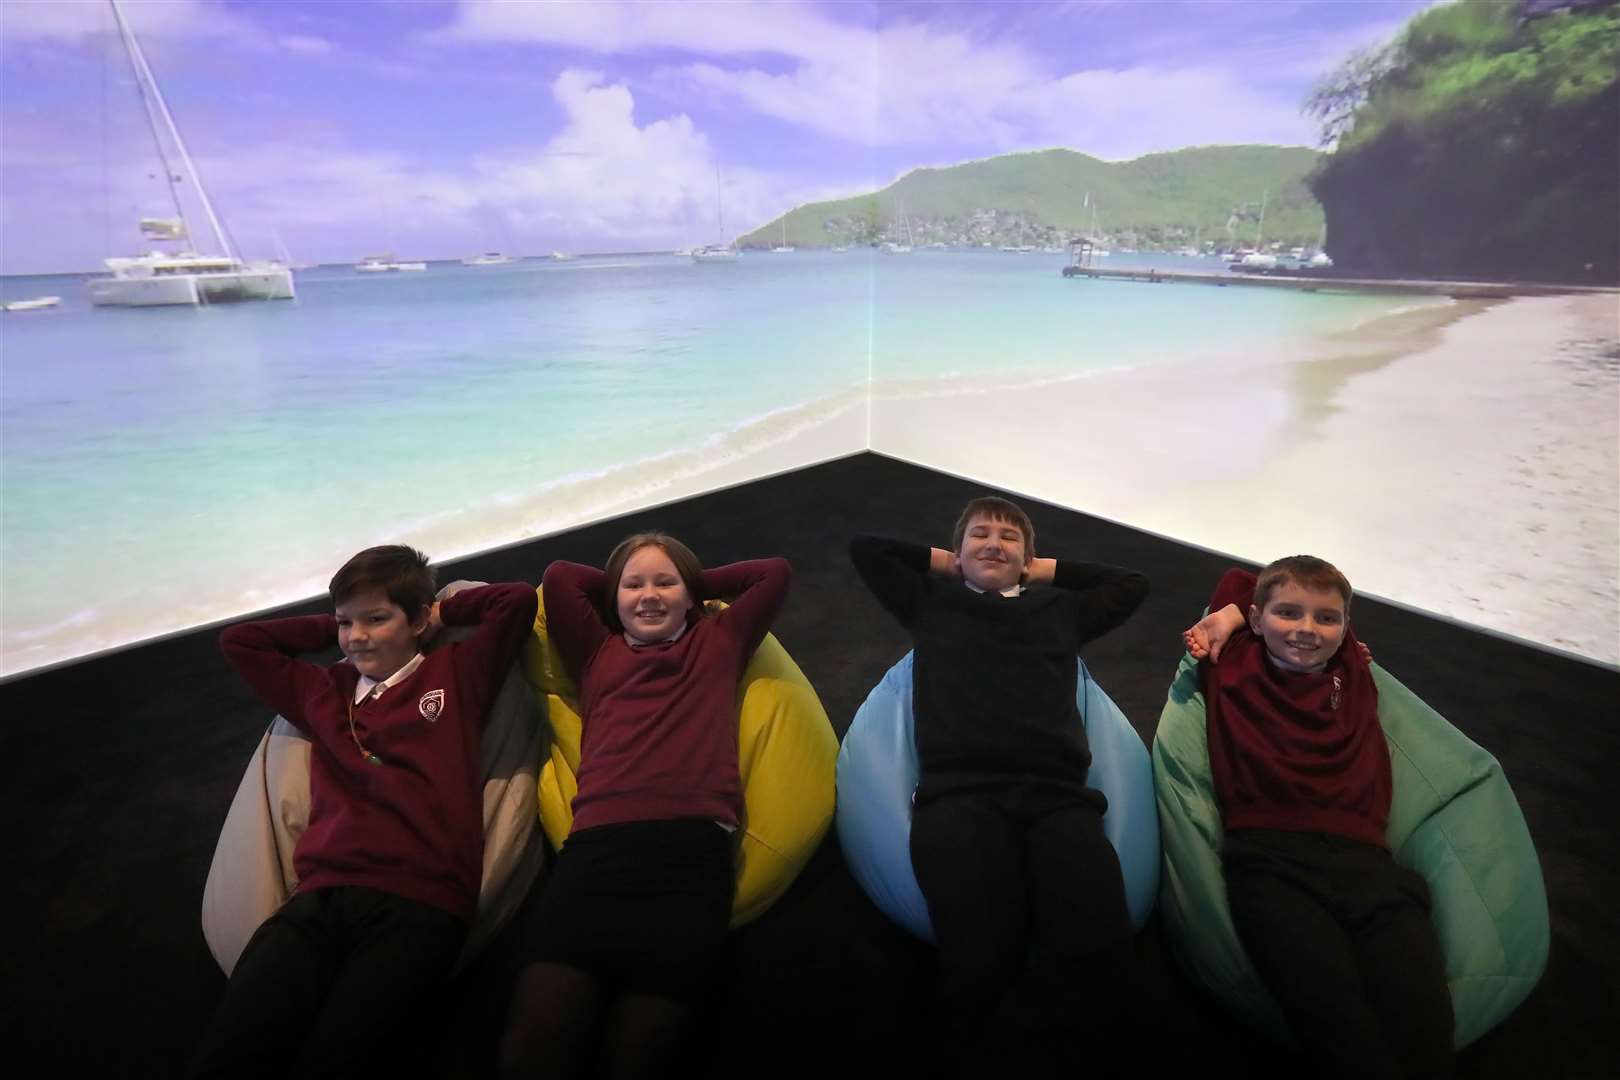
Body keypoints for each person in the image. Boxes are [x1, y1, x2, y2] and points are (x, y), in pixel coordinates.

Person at [190, 545, 538, 1079]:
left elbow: (513, 603)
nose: (357, 637)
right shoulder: (321, 692)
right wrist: (335, 622)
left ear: (418, 619)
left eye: (376, 619)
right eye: (346, 624)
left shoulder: (456, 674)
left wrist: (441, 611)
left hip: (420, 903)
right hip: (318, 899)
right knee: (229, 1049)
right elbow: (242, 643)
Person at [849, 495, 1149, 1075]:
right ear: (956, 554)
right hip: (960, 794)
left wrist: (1045, 572)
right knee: (979, 951)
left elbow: (1131, 583)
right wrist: (948, 566)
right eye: (979, 536)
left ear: (1029, 560)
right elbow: (868, 550)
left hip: (1058, 797)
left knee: (1103, 942)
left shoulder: (1061, 611)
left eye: (1010, 539)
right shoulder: (931, 603)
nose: (994, 544)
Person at [500, 533, 790, 1080]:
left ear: (692, 597)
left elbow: (773, 571)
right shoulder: (595, 650)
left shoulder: (719, 641)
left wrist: (691, 582)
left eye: (665, 583)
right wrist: (641, 583)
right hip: (593, 860)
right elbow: (561, 574)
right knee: (534, 1047)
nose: (648, 596)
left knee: (643, 1057)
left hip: (690, 862)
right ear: (612, 599)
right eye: (633, 585)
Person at [1183, 557, 1454, 1079]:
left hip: (1370, 867)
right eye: (1288, 614)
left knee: (1423, 1019)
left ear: (1347, 630)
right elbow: (1237, 582)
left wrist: (1280, 615)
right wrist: (1232, 617)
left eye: (1326, 619)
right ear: (1258, 620)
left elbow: (1312, 607)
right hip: (1271, 864)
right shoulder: (1233, 660)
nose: (1307, 629)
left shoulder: (1351, 669)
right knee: (1335, 1019)